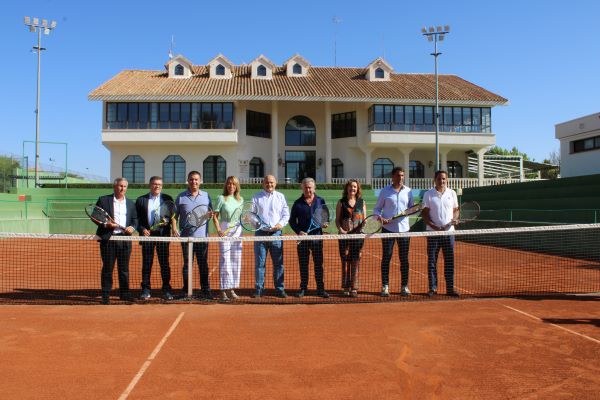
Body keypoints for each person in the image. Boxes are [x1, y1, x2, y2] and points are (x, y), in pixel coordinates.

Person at [94, 177, 138, 304]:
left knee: (124, 269)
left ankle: (124, 294)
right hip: (109, 239)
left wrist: (132, 227)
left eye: (124, 186)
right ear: (115, 186)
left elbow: (135, 220)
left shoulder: (130, 203)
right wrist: (106, 225)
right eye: (120, 186)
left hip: (124, 239)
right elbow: (95, 216)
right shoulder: (103, 200)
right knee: (107, 268)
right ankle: (106, 295)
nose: (122, 188)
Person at [373, 167, 414, 297]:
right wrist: (380, 218)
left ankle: (404, 286)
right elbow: (377, 209)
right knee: (386, 257)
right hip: (388, 230)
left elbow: (411, 209)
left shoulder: (408, 191)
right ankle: (385, 286)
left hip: (404, 230)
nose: (400, 178)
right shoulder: (384, 191)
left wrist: (410, 211)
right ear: (393, 177)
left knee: (404, 259)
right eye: (398, 175)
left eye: (402, 175)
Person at [135, 176, 175, 301]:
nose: (157, 186)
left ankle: (166, 289)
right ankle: (146, 290)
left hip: (163, 236)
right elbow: (136, 219)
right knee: (147, 264)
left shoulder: (167, 199)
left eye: (159, 184)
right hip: (148, 237)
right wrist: (142, 229)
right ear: (150, 185)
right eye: (154, 184)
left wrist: (167, 221)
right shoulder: (141, 200)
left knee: (164, 264)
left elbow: (172, 216)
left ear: (161, 186)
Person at [174, 171, 213, 299]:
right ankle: (186, 290)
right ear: (188, 181)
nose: (194, 182)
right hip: (186, 239)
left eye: (196, 179)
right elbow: (175, 216)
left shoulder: (207, 196)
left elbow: (211, 213)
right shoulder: (181, 197)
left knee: (203, 264)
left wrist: (211, 215)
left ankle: (206, 290)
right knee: (187, 265)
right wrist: (174, 228)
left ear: (200, 181)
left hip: (202, 238)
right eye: (191, 179)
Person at [421, 170, 460, 297]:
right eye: (439, 179)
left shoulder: (452, 193)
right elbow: (425, 214)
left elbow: (456, 210)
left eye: (444, 179)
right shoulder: (428, 194)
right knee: (432, 261)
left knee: (449, 261)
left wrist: (455, 218)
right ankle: (432, 288)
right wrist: (433, 226)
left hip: (449, 233)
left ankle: (450, 288)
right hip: (433, 234)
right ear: (435, 179)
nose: (441, 181)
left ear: (446, 180)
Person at [289, 177, 329, 298]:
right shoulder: (297, 203)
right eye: (306, 187)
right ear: (302, 188)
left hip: (317, 237)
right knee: (303, 264)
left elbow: (325, 217)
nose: (308, 190)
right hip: (302, 239)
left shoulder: (320, 201)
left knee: (318, 264)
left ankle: (320, 289)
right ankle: (303, 288)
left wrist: (325, 223)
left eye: (310, 187)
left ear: (314, 188)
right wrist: (299, 231)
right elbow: (292, 221)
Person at [251, 175, 289, 298]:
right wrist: (258, 224)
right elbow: (252, 215)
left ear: (275, 183)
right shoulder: (256, 197)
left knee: (278, 263)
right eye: (267, 182)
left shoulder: (280, 197)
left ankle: (279, 288)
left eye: (272, 182)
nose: (269, 184)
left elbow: (285, 214)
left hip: (276, 234)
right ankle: (259, 288)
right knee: (260, 263)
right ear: (263, 183)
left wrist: (280, 224)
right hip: (260, 234)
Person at [211, 176, 244, 302]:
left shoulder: (240, 199)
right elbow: (215, 216)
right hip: (225, 227)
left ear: (237, 186)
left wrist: (245, 220)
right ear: (226, 185)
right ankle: (223, 289)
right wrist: (219, 230)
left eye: (234, 184)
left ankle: (232, 289)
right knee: (225, 259)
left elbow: (240, 217)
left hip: (238, 230)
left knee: (236, 259)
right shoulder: (221, 198)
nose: (231, 186)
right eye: (229, 184)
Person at [335, 179, 366, 298]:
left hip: (358, 237)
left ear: (357, 189)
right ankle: (346, 286)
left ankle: (354, 287)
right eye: (350, 186)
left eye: (355, 187)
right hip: (344, 237)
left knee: (355, 262)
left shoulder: (361, 202)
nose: (352, 189)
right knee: (345, 262)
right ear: (346, 188)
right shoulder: (341, 202)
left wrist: (364, 224)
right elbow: (337, 220)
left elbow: (363, 220)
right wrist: (342, 231)